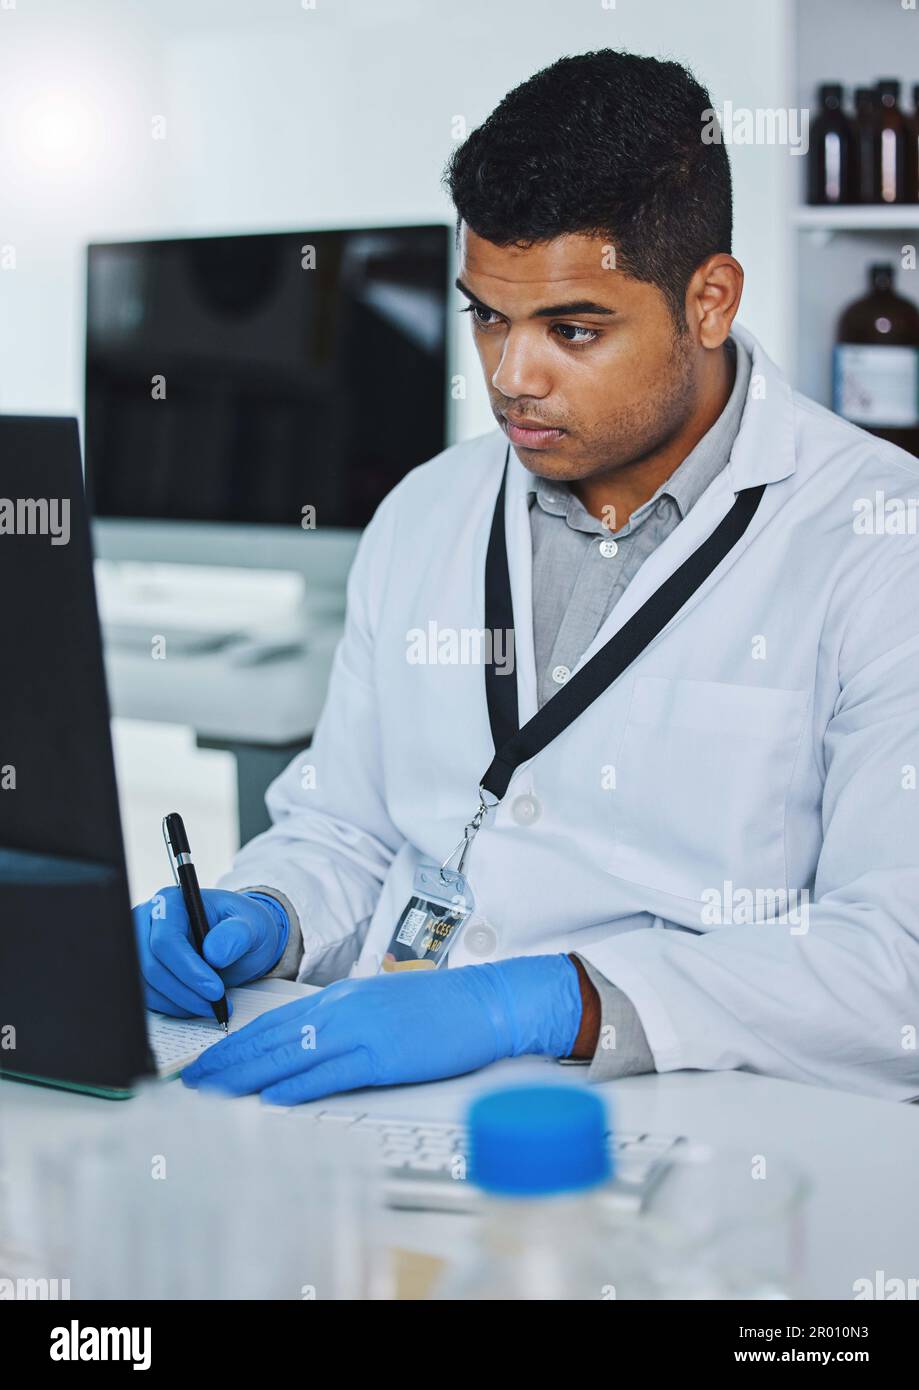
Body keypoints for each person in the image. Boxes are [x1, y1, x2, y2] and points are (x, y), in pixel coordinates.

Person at [134, 49, 919, 1105]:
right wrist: (266, 908)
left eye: (572, 329)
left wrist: (546, 999)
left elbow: (891, 965)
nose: (509, 378)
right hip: (389, 1109)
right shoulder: (426, 509)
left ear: (710, 301)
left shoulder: (879, 537)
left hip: (691, 1130)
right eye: (488, 316)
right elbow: (348, 827)